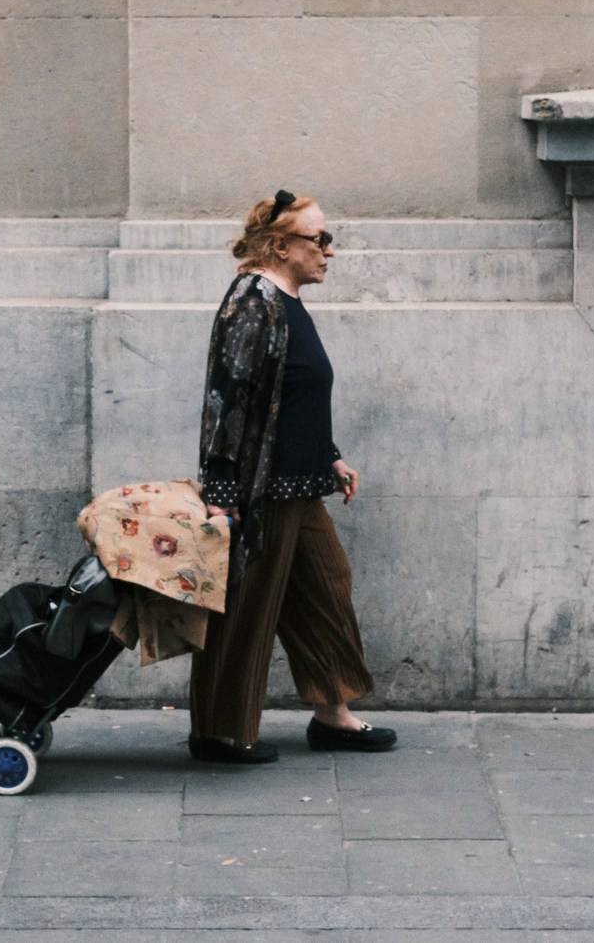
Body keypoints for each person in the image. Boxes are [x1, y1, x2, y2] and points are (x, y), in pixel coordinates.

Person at [190, 189, 396, 764]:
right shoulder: (252, 302)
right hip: (262, 492)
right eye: (320, 239)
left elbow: (292, 393)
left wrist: (328, 454)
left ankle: (332, 714)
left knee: (326, 590)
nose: (330, 251)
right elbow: (225, 401)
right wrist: (222, 492)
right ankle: (219, 731)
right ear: (280, 246)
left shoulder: (286, 299)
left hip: (301, 485)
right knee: (249, 608)